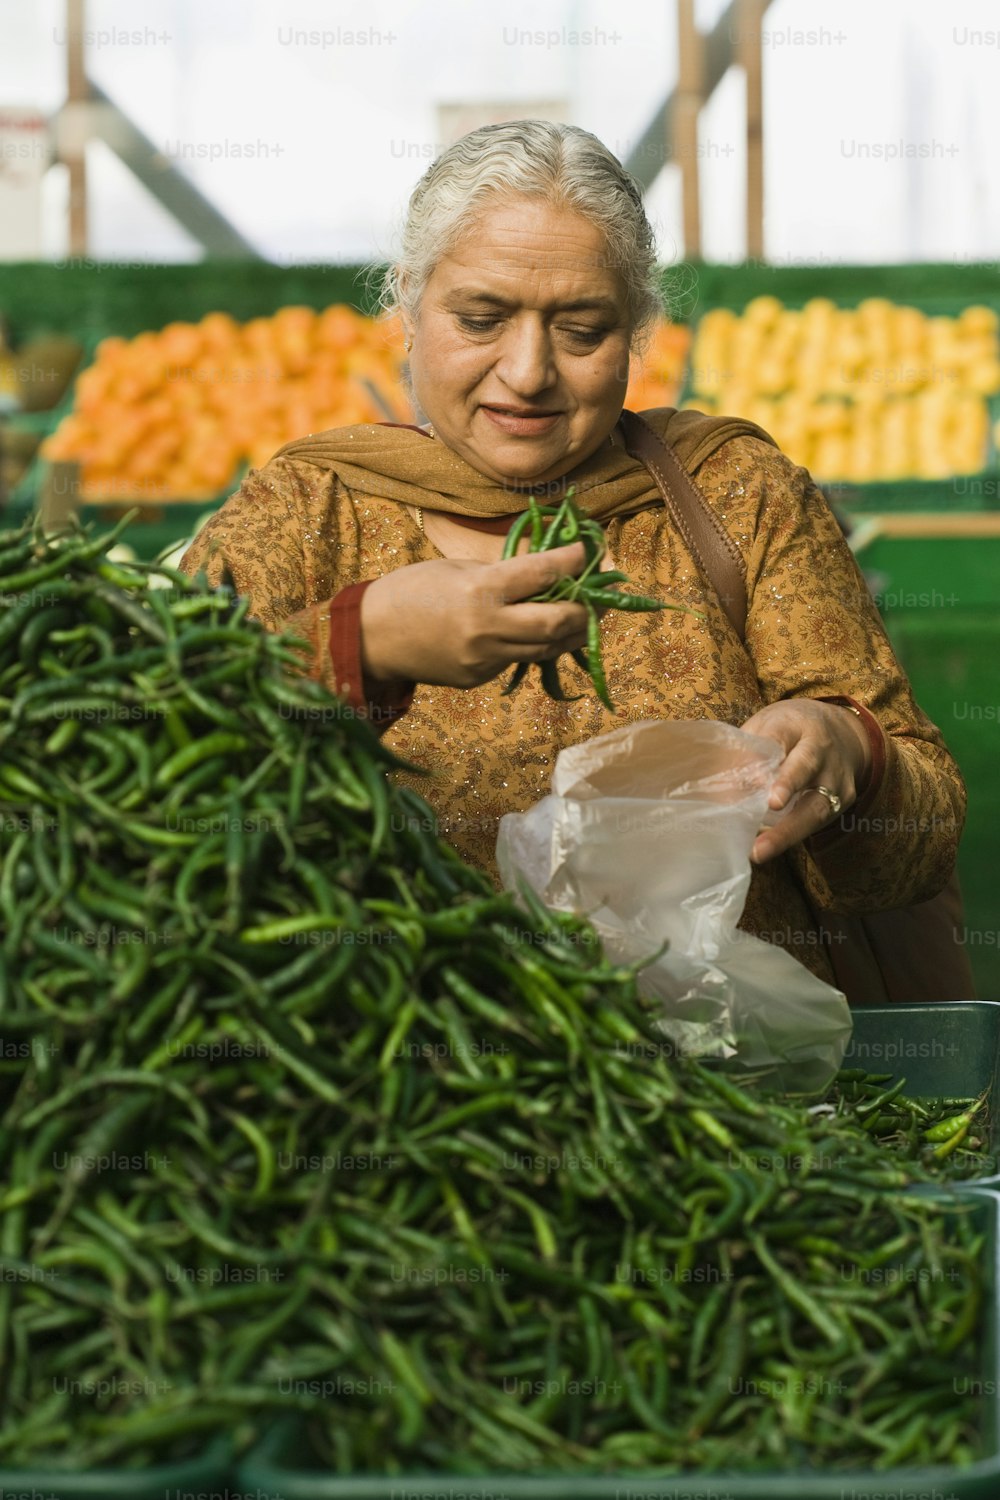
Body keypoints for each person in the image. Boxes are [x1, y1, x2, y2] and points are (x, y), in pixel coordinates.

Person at [181, 119, 965, 994]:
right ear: (405, 303)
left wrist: (847, 750)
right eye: (480, 319)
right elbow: (140, 786)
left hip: (733, 1094)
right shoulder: (305, 510)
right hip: (399, 1085)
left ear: (638, 328)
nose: (526, 372)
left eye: (582, 330)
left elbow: (918, 849)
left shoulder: (736, 494)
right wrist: (357, 647)